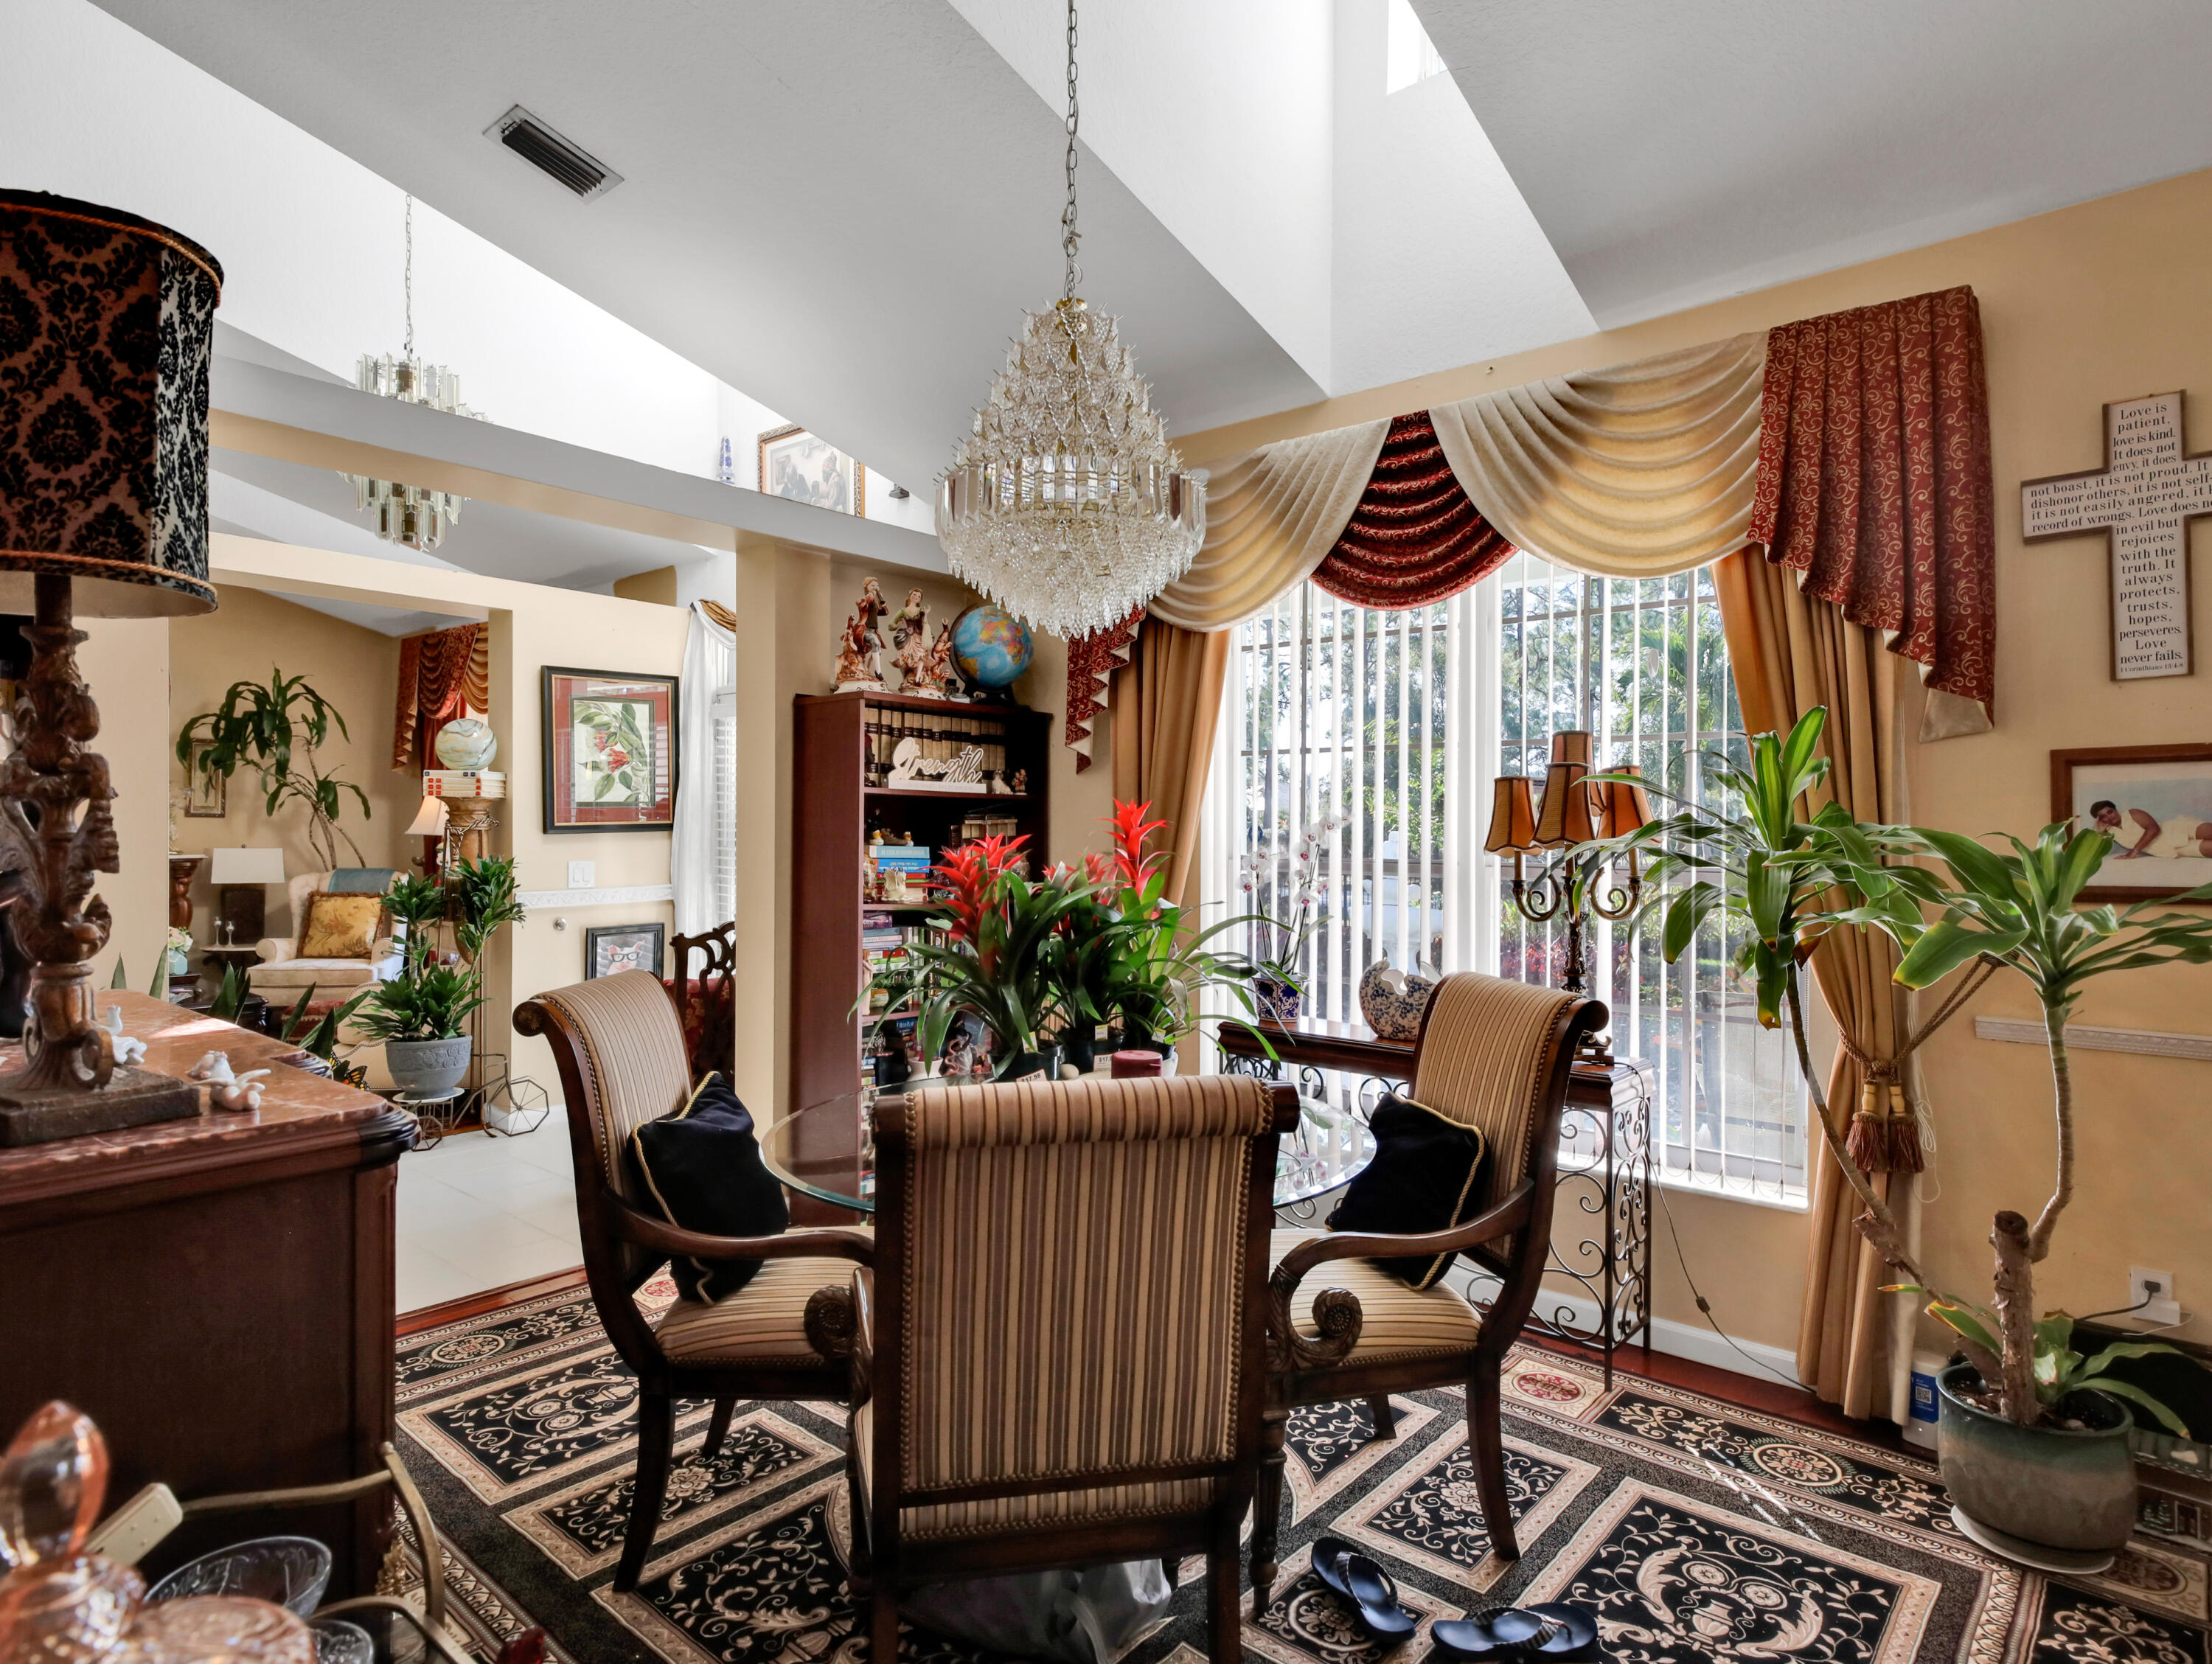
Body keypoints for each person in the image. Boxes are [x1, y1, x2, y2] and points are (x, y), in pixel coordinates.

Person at [2089, 798, 2212, 858]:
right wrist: (2098, 832)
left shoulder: (2132, 813)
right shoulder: (2110, 832)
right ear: (2100, 820)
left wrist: (2134, 852)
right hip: (2169, 848)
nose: (2109, 818)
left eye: (2110, 812)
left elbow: (2154, 829)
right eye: (2103, 817)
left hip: (2176, 829)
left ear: (2115, 810)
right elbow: (2095, 852)